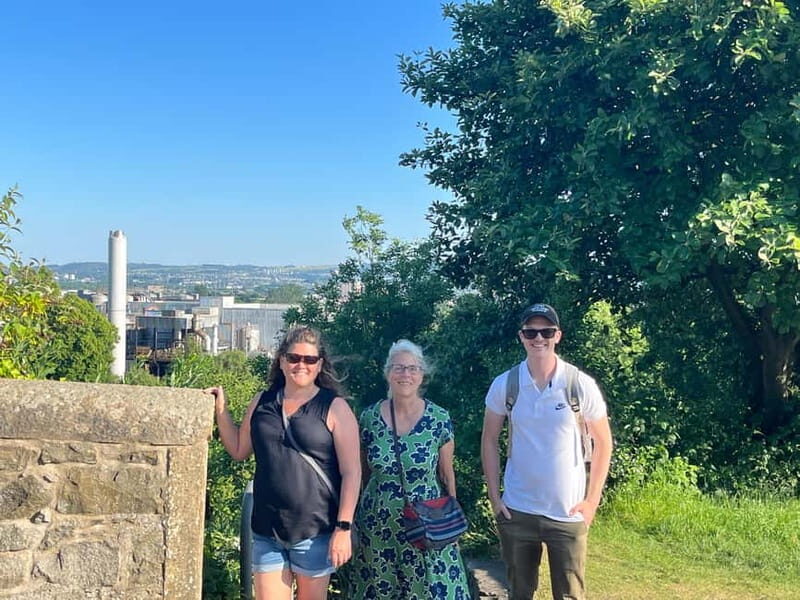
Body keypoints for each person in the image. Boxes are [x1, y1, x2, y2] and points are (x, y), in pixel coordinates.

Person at [207, 325, 361, 600]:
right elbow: (240, 450)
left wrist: (343, 528)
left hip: (316, 530)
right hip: (267, 528)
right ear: (281, 360)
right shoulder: (262, 402)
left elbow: (352, 473)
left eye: (309, 359)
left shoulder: (334, 407)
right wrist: (221, 410)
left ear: (319, 364)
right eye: (294, 358)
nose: (301, 365)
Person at [481, 303, 613, 600]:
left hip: (567, 512)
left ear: (558, 335)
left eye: (546, 331)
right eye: (531, 332)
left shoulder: (579, 384)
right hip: (518, 509)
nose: (538, 338)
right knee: (519, 592)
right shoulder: (506, 384)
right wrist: (494, 496)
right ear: (521, 336)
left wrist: (591, 502)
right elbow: (489, 439)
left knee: (569, 595)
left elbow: (603, 443)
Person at [343, 339, 471, 599]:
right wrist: (351, 522)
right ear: (388, 373)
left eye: (412, 368)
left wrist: (452, 523)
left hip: (427, 523)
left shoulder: (438, 418)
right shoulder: (368, 418)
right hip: (377, 525)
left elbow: (447, 474)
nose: (405, 374)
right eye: (399, 368)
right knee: (381, 589)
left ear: (422, 375)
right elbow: (360, 474)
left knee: (428, 589)